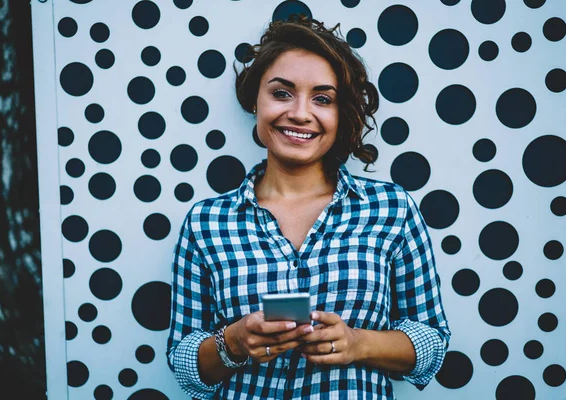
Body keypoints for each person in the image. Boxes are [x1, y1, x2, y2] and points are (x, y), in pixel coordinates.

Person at [167, 15, 450, 400]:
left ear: (340, 113)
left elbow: (432, 342)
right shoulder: (206, 222)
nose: (300, 113)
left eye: (322, 98)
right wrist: (232, 342)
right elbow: (184, 363)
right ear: (255, 100)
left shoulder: (392, 209)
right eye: (282, 93)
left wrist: (358, 343)